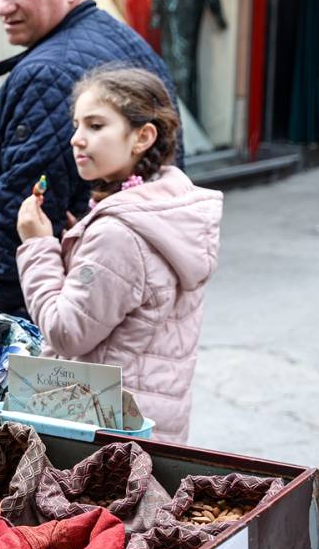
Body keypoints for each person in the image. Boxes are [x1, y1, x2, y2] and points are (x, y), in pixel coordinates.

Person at [0, 0, 181, 319]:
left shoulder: (49, 73)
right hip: (116, 290)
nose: (3, 6)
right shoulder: (131, 43)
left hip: (57, 304)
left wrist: (8, 315)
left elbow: (24, 205)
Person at [15, 67, 221, 443]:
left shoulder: (118, 232)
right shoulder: (166, 206)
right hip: (151, 420)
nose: (77, 139)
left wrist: (37, 245)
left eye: (95, 126)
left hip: (107, 431)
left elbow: (66, 333)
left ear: (142, 136)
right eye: (76, 125)